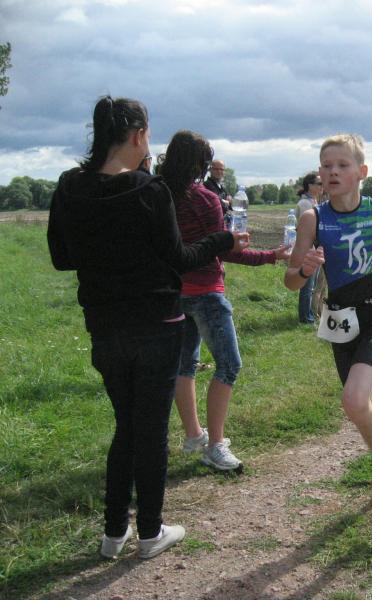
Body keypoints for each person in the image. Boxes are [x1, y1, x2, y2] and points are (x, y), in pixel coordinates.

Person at [47, 96, 249, 560]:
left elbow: (61, 257)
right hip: (157, 325)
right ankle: (151, 532)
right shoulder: (148, 189)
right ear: (138, 135)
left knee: (127, 426)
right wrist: (222, 240)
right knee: (151, 431)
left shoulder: (69, 186)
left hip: (104, 325)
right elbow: (180, 259)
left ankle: (114, 532)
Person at [284, 134, 372, 519]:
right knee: (365, 401)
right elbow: (291, 281)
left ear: (361, 172)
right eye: (326, 165)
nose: (332, 172)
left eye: (342, 165)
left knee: (355, 400)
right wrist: (304, 271)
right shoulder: (313, 219)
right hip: (339, 321)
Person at [160, 130, 290, 472]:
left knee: (184, 365)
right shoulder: (206, 200)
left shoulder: (159, 194)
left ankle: (194, 435)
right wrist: (271, 256)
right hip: (206, 292)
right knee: (229, 365)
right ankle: (215, 446)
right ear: (202, 164)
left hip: (174, 293)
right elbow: (225, 250)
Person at [296, 172, 324, 323]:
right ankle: (305, 317)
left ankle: (308, 314)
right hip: (308, 248)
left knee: (311, 284)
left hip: (314, 246)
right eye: (319, 183)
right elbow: (307, 229)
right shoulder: (305, 204)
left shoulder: (313, 201)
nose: (322, 186)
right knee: (307, 284)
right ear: (310, 185)